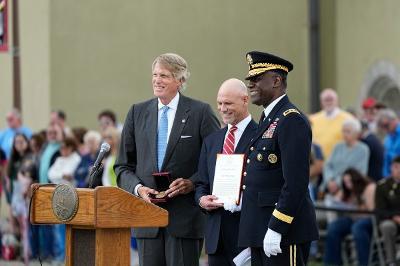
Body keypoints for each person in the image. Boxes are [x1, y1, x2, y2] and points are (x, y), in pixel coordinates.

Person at [114, 53, 220, 266]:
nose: (156, 80)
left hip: (185, 220)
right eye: (154, 75)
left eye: (164, 75)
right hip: (147, 219)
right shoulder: (137, 112)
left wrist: (192, 183)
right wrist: (138, 189)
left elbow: (218, 160)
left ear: (180, 81)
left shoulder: (200, 112)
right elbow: (123, 166)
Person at [238, 51, 318, 265]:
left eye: (256, 79)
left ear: (276, 80)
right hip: (261, 228)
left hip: (283, 231)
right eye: (250, 80)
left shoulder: (291, 120)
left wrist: (277, 227)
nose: (251, 85)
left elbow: (296, 183)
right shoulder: (268, 118)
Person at [195, 78, 257, 266]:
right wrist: (201, 200)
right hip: (217, 238)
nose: (223, 108)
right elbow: (202, 183)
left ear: (245, 100)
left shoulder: (261, 135)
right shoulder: (212, 141)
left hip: (247, 235)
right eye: (220, 103)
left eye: (228, 103)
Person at [323, 169, 376, 266]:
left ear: (356, 179)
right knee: (334, 227)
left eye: (349, 181)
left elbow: (372, 211)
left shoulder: (370, 187)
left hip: (368, 220)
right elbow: (337, 201)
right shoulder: (348, 191)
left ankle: (364, 263)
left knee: (357, 228)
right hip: (353, 219)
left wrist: (358, 206)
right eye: (345, 182)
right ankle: (331, 263)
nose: (348, 184)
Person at [322, 119, 370, 196]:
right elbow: (327, 165)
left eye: (348, 131)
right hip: (329, 187)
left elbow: (360, 172)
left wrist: (337, 183)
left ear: (357, 133)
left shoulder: (363, 149)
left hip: (348, 190)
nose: (344, 134)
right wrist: (329, 180)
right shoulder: (338, 146)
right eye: (343, 131)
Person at [309, 89, 353, 158]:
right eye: (326, 100)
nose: (329, 102)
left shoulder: (348, 118)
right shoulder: (313, 119)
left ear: (337, 101)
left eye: (331, 99)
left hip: (339, 161)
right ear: (321, 102)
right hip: (318, 163)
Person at [375, 156, 400, 266]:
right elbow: (380, 210)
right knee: (387, 226)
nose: (398, 170)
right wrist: (395, 217)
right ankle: (391, 261)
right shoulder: (382, 186)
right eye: (396, 167)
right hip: (390, 220)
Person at [378, 109, 400, 178]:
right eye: (382, 126)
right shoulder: (387, 139)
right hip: (390, 177)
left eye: (386, 125)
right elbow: (386, 160)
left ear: (395, 120)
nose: (384, 129)